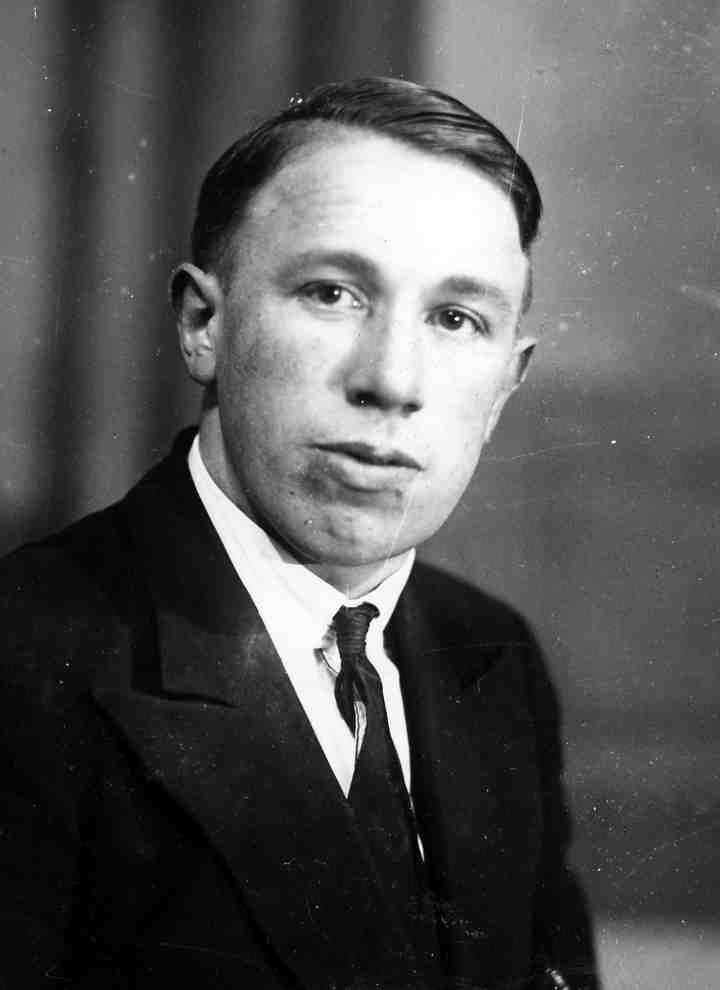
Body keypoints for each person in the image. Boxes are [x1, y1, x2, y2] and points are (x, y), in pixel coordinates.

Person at [0, 78, 598, 989]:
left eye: (456, 319)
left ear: (504, 388)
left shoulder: (491, 656)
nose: (393, 380)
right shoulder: (24, 655)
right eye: (333, 293)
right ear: (203, 324)